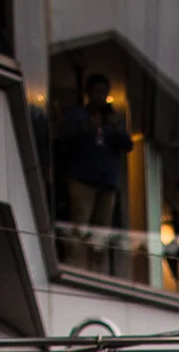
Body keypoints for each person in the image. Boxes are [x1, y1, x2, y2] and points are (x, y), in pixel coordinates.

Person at [53, 73, 132, 270]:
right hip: (82, 179)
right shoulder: (78, 115)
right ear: (89, 93)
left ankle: (98, 270)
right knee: (80, 225)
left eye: (104, 92)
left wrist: (114, 127)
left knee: (101, 232)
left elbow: (128, 144)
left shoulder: (113, 119)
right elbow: (64, 139)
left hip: (106, 182)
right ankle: (76, 266)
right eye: (97, 92)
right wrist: (87, 128)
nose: (101, 96)